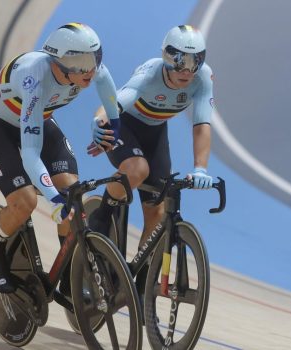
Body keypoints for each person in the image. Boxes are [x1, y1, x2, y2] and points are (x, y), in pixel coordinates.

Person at [0, 23, 121, 294]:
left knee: (71, 192)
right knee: (26, 201)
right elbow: (30, 153)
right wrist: (52, 200)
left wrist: (112, 128)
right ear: (60, 61)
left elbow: (110, 99)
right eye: (81, 62)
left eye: (95, 57)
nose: (91, 69)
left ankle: (66, 277)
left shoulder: (90, 70)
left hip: (38, 121)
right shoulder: (35, 79)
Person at [86, 25, 215, 286]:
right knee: (137, 169)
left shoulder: (203, 79)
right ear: (166, 58)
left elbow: (202, 124)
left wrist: (201, 168)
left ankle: (139, 283)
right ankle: (101, 216)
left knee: (157, 212)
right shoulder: (150, 73)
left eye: (195, 62)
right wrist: (99, 121)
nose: (187, 70)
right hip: (124, 125)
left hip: (155, 132)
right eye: (180, 61)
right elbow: (117, 101)